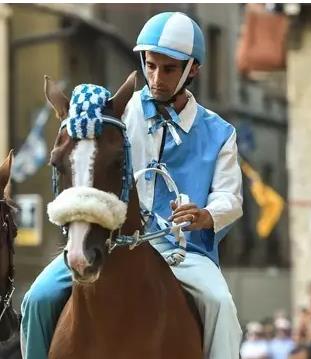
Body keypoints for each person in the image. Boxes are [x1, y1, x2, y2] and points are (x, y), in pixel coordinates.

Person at [20, 11, 243, 359]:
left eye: (169, 69)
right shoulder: (122, 112)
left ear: (192, 69)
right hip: (114, 242)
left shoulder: (221, 133)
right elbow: (87, 148)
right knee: (36, 298)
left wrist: (206, 214)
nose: (156, 77)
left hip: (183, 252)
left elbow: (231, 197)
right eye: (150, 66)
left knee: (221, 304)